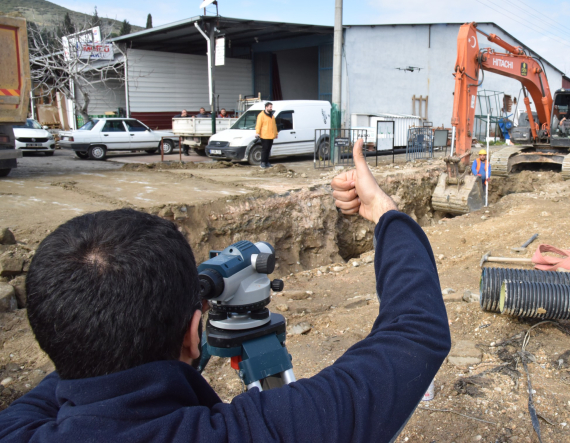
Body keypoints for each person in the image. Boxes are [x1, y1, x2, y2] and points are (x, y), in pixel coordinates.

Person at [0, 140, 450, 443]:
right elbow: (414, 335)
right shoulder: (250, 432)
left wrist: (130, 306)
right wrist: (386, 213)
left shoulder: (17, 426)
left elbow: (82, 361)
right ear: (197, 333)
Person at [255, 102, 278, 169]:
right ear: (266, 107)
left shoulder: (272, 116)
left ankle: (267, 162)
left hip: (271, 135)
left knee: (268, 149)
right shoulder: (261, 115)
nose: (271, 108)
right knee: (264, 149)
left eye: (271, 107)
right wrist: (257, 132)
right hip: (264, 135)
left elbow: (274, 125)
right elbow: (258, 124)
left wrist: (276, 133)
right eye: (270, 107)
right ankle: (263, 162)